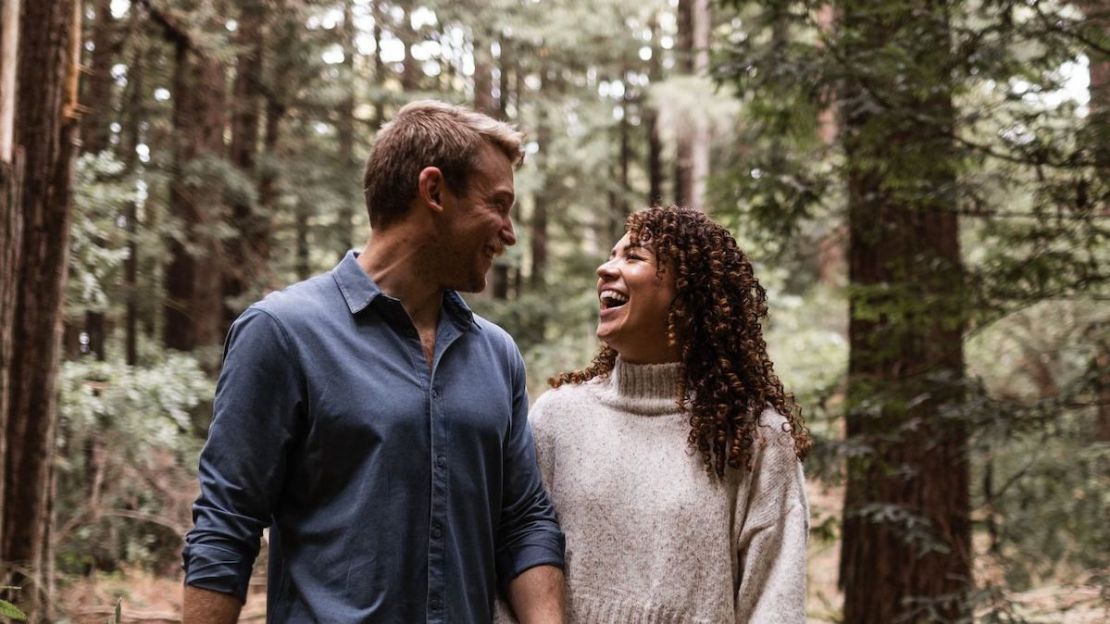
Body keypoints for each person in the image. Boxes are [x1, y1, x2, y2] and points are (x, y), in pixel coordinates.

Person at [182, 100, 566, 623]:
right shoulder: (283, 332)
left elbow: (523, 522)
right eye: (497, 204)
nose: (508, 231)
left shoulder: (496, 354)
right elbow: (226, 525)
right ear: (433, 192)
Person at [502, 205, 810, 623]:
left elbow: (775, 602)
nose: (605, 268)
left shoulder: (754, 436)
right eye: (611, 254)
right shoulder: (557, 418)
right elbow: (512, 552)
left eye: (633, 257)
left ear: (689, 291)